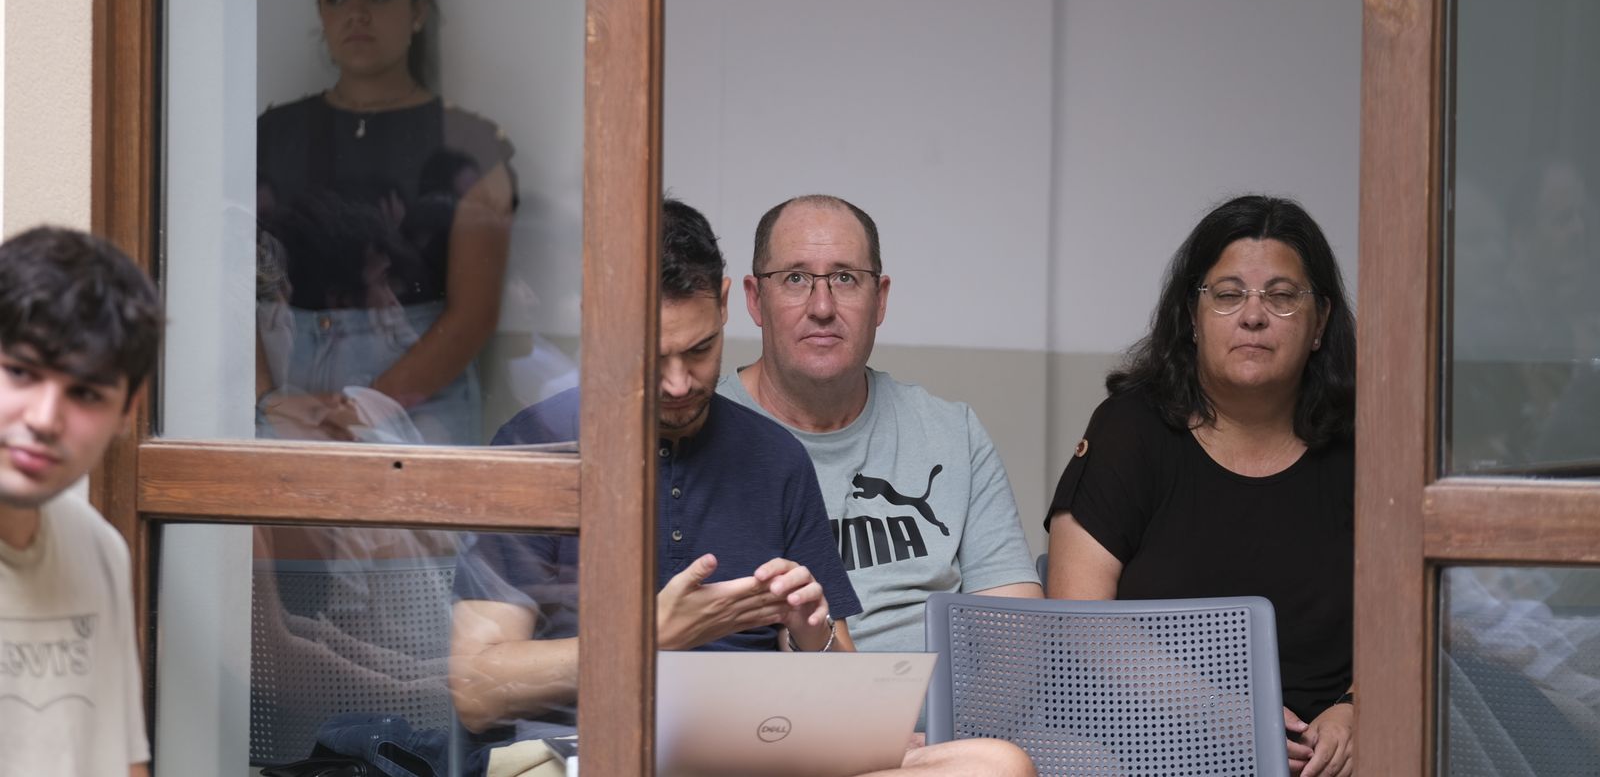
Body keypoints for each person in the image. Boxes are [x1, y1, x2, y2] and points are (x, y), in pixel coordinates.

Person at [450, 200, 1034, 777]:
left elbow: (849, 708)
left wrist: (812, 634)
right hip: (588, 753)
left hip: (750, 752)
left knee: (996, 765)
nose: (678, 383)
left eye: (700, 350)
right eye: (651, 357)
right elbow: (476, 691)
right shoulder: (539, 445)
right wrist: (645, 639)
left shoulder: (775, 458)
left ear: (727, 304)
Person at [1045, 194, 1356, 777]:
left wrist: (1357, 708)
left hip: (1328, 758)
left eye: (1282, 296)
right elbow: (1079, 622)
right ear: (1192, 317)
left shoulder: (1365, 444)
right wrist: (1224, 717)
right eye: (1229, 294)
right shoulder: (1131, 428)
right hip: (1151, 747)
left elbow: (1415, 613)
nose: (1254, 316)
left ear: (1320, 323)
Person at [718, 194, 1040, 656]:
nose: (822, 306)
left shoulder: (953, 434)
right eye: (795, 278)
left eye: (845, 278)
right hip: (777, 701)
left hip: (943, 701)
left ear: (880, 299)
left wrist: (947, 708)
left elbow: (1018, 637)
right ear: (755, 299)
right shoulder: (703, 434)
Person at [256, 0, 516, 446]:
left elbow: (474, 314)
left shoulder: (469, 142)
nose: (356, 13)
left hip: (423, 393)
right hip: (288, 395)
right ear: (321, 13)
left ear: (418, 10)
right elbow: (226, 284)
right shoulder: (271, 135)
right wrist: (267, 398)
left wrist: (369, 404)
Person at [0, 226, 165, 777]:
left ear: (127, 412)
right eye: (20, 372)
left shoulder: (99, 549)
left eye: (85, 393)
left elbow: (124, 762)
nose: (44, 419)